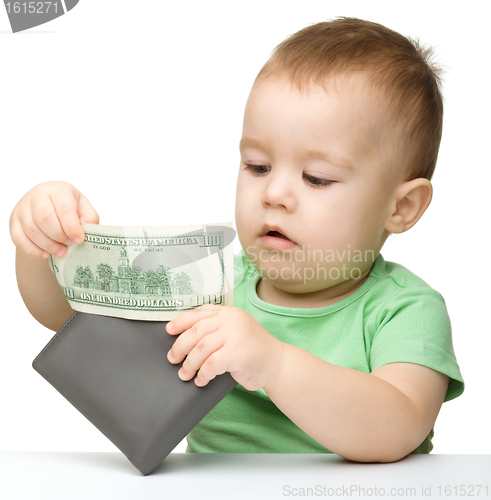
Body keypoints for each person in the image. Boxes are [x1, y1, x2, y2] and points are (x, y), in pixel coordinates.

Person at [10, 17, 464, 463]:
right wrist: (47, 243)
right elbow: (68, 317)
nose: (274, 194)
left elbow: (400, 426)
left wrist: (276, 365)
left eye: (317, 178)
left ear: (401, 208)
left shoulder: (406, 311)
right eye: (258, 166)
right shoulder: (211, 280)